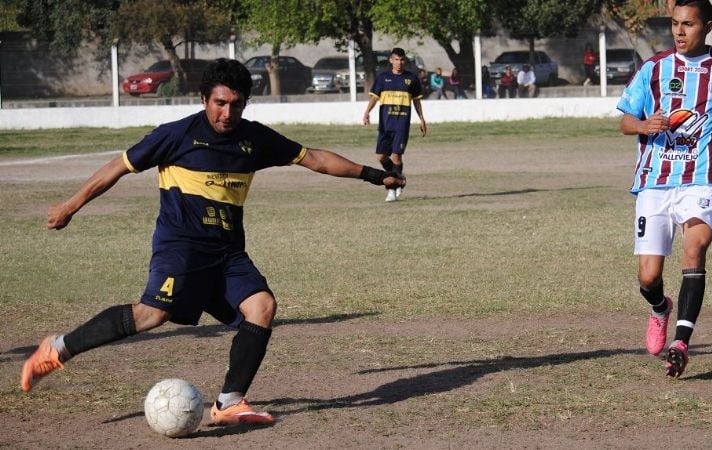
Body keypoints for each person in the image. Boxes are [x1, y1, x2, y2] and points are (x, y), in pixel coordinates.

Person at [19, 59, 406, 426]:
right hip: (181, 245)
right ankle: (57, 348)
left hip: (227, 252)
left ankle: (229, 402)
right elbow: (117, 167)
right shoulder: (177, 135)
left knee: (261, 307)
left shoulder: (255, 139)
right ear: (204, 100)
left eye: (236, 105)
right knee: (152, 315)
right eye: (220, 103)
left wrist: (373, 175)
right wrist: (71, 205)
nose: (227, 113)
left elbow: (315, 159)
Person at [617, 0, 712, 378]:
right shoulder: (654, 68)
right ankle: (661, 308)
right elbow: (626, 121)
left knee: (695, 249)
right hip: (655, 182)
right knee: (647, 277)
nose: (679, 31)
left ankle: (680, 343)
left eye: (688, 24)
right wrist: (644, 126)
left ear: (707, 26)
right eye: (675, 23)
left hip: (704, 179)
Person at [362, 47, 427, 202]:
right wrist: (367, 112)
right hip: (385, 124)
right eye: (396, 59)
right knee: (381, 156)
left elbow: (416, 100)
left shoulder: (411, 79)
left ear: (405, 61)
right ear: (391, 60)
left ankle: (393, 189)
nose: (399, 63)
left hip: (401, 124)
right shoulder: (383, 78)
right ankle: (399, 178)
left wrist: (422, 118)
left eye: (402, 60)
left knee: (396, 155)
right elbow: (374, 97)